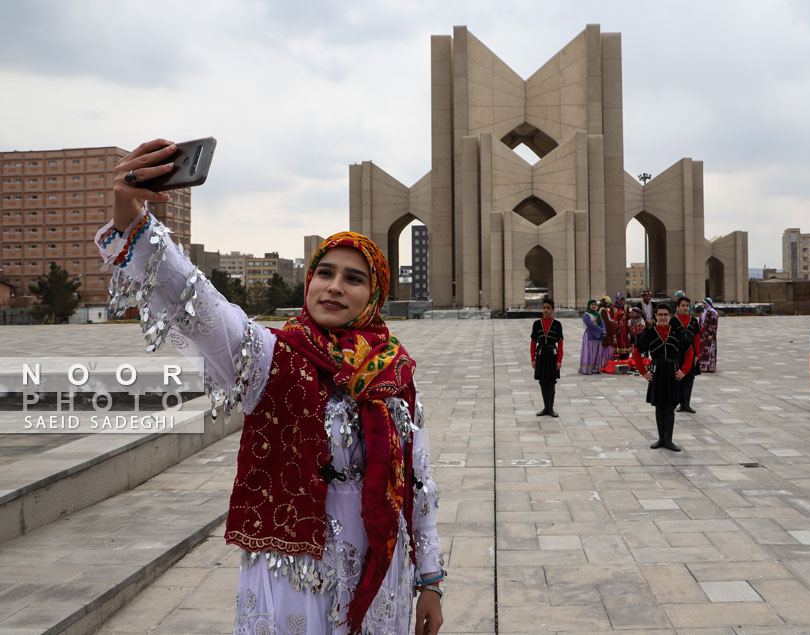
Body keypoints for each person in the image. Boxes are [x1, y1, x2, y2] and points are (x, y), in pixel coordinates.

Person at [96, 139, 445, 635]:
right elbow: (200, 304)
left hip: (382, 568)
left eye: (353, 278)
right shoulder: (271, 356)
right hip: (293, 577)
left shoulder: (394, 377)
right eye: (324, 272)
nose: (334, 287)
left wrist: (430, 580)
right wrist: (134, 223)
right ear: (308, 282)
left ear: (374, 296)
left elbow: (419, 482)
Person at [633, 303, 693, 452]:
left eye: (666, 314)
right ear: (655, 316)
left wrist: (684, 371)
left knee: (670, 407)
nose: (663, 317)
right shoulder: (650, 332)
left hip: (672, 372)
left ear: (670, 315)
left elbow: (689, 351)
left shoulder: (676, 332)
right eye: (660, 315)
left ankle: (669, 440)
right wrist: (644, 372)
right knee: (659, 406)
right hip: (657, 372)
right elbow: (636, 352)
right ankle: (661, 439)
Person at [531, 298, 563, 417]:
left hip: (552, 354)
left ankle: (550, 408)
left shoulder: (557, 324)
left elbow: (560, 343)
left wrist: (559, 360)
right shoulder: (536, 324)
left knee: (551, 381)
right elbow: (533, 342)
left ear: (553, 310)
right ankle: (545, 407)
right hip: (541, 354)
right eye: (544, 308)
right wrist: (533, 359)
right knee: (542, 381)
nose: (546, 310)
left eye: (548, 308)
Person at [671, 295, 700, 414]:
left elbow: (697, 338)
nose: (685, 308)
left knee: (689, 378)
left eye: (687, 306)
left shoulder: (693, 321)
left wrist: (697, 354)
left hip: (690, 353)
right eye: (683, 306)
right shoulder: (673, 321)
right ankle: (678, 403)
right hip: (677, 353)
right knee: (678, 377)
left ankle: (686, 403)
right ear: (678, 307)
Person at [579, 299, 606, 374]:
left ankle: (595, 368)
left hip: (598, 336)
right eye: (592, 305)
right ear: (589, 306)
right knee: (590, 352)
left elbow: (602, 323)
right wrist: (601, 330)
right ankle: (588, 369)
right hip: (589, 335)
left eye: (595, 305)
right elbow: (591, 325)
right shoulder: (586, 314)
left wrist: (604, 331)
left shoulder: (597, 314)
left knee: (597, 352)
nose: (594, 306)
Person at [699, 297, 719, 373]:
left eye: (704, 303)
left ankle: (710, 366)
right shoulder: (703, 312)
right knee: (703, 351)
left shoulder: (712, 313)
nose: (703, 305)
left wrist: (711, 334)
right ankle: (703, 366)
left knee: (710, 351)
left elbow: (713, 324)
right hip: (702, 335)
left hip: (709, 335)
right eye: (703, 303)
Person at [598, 296, 616, 367]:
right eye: (608, 303)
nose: (609, 305)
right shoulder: (603, 311)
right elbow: (606, 322)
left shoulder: (602, 309)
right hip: (606, 332)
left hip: (604, 331)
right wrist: (614, 323)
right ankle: (605, 364)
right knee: (606, 347)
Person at [612, 292, 631, 358]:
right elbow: (611, 318)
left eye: (623, 299)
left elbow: (628, 316)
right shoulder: (613, 308)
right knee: (617, 342)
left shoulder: (626, 307)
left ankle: (625, 356)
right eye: (620, 300)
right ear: (617, 299)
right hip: (616, 329)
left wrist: (627, 316)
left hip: (624, 329)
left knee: (625, 341)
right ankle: (617, 357)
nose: (621, 301)